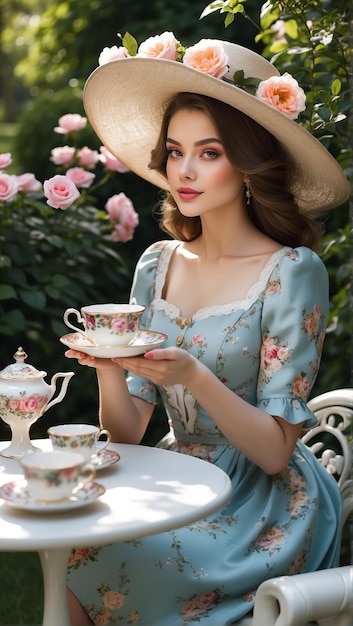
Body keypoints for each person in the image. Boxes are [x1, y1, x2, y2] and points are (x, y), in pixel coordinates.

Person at [65, 34, 350, 625]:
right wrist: (111, 369)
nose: (184, 171)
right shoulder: (156, 264)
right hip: (177, 475)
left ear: (247, 165)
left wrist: (194, 375)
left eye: (209, 152)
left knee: (124, 558)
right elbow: (126, 433)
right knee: (77, 546)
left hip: (266, 503)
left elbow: (275, 451)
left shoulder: (292, 272)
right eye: (174, 151)